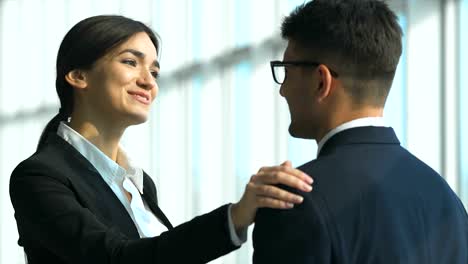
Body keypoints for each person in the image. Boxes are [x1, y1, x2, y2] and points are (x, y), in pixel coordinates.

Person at [9, 15, 314, 264]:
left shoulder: (139, 185)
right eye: (131, 62)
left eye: (154, 71)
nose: (148, 81)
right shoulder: (39, 177)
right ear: (78, 76)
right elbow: (115, 259)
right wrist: (234, 217)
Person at [253, 0, 468, 263]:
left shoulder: (292, 204)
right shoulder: (446, 200)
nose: (282, 89)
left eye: (286, 72)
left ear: (322, 81)